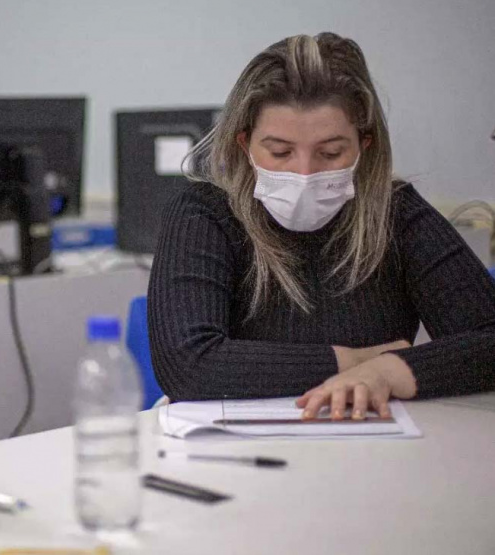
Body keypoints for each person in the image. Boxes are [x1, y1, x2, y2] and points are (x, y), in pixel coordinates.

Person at [149, 32, 495, 420]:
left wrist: (389, 370)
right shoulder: (205, 212)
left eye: (331, 152)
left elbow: (488, 341)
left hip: (371, 449)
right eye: (279, 152)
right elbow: (188, 366)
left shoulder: (396, 212)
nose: (304, 173)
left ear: (364, 144)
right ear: (245, 143)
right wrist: (352, 361)